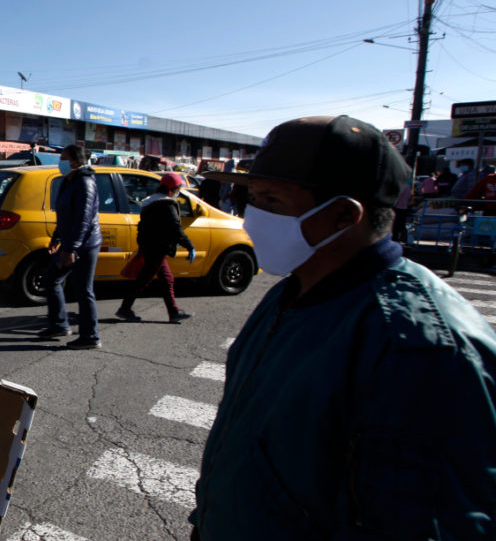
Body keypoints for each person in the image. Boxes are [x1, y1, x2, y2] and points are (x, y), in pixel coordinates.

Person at [191, 115, 496, 540]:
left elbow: (426, 523)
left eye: (272, 201)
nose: (249, 219)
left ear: (342, 217)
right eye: (251, 199)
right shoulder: (294, 289)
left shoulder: (417, 346)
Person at [36, 144, 102, 349]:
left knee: (84, 290)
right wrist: (57, 238)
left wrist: (71, 248)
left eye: (63, 158)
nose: (60, 162)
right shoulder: (68, 181)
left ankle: (91, 337)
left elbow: (84, 219)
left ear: (76, 162)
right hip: (69, 242)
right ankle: (59, 325)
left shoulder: (85, 183)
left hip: (85, 245)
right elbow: (64, 215)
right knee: (50, 279)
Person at [115, 172, 195, 324]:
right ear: (172, 189)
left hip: (150, 247)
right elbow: (175, 229)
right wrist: (189, 245)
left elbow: (143, 227)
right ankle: (125, 309)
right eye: (178, 188)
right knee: (143, 280)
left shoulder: (149, 203)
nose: (178, 192)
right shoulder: (167, 205)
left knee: (167, 279)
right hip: (157, 249)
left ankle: (173, 312)